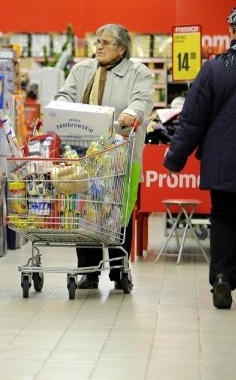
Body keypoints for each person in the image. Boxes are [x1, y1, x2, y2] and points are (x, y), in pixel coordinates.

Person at [163, 2, 236, 309]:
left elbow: (193, 121)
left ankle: (222, 278)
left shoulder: (214, 68)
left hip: (225, 165)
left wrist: (175, 159)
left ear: (233, 30)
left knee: (225, 221)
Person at [54, 23, 154, 290]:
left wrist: (132, 113)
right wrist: (60, 105)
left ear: (122, 48)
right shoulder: (82, 70)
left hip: (121, 155)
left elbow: (142, 101)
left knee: (118, 213)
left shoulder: (138, 73)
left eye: (105, 43)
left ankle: (119, 271)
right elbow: (65, 94)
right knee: (85, 210)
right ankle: (89, 270)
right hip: (84, 155)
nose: (98, 47)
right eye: (97, 42)